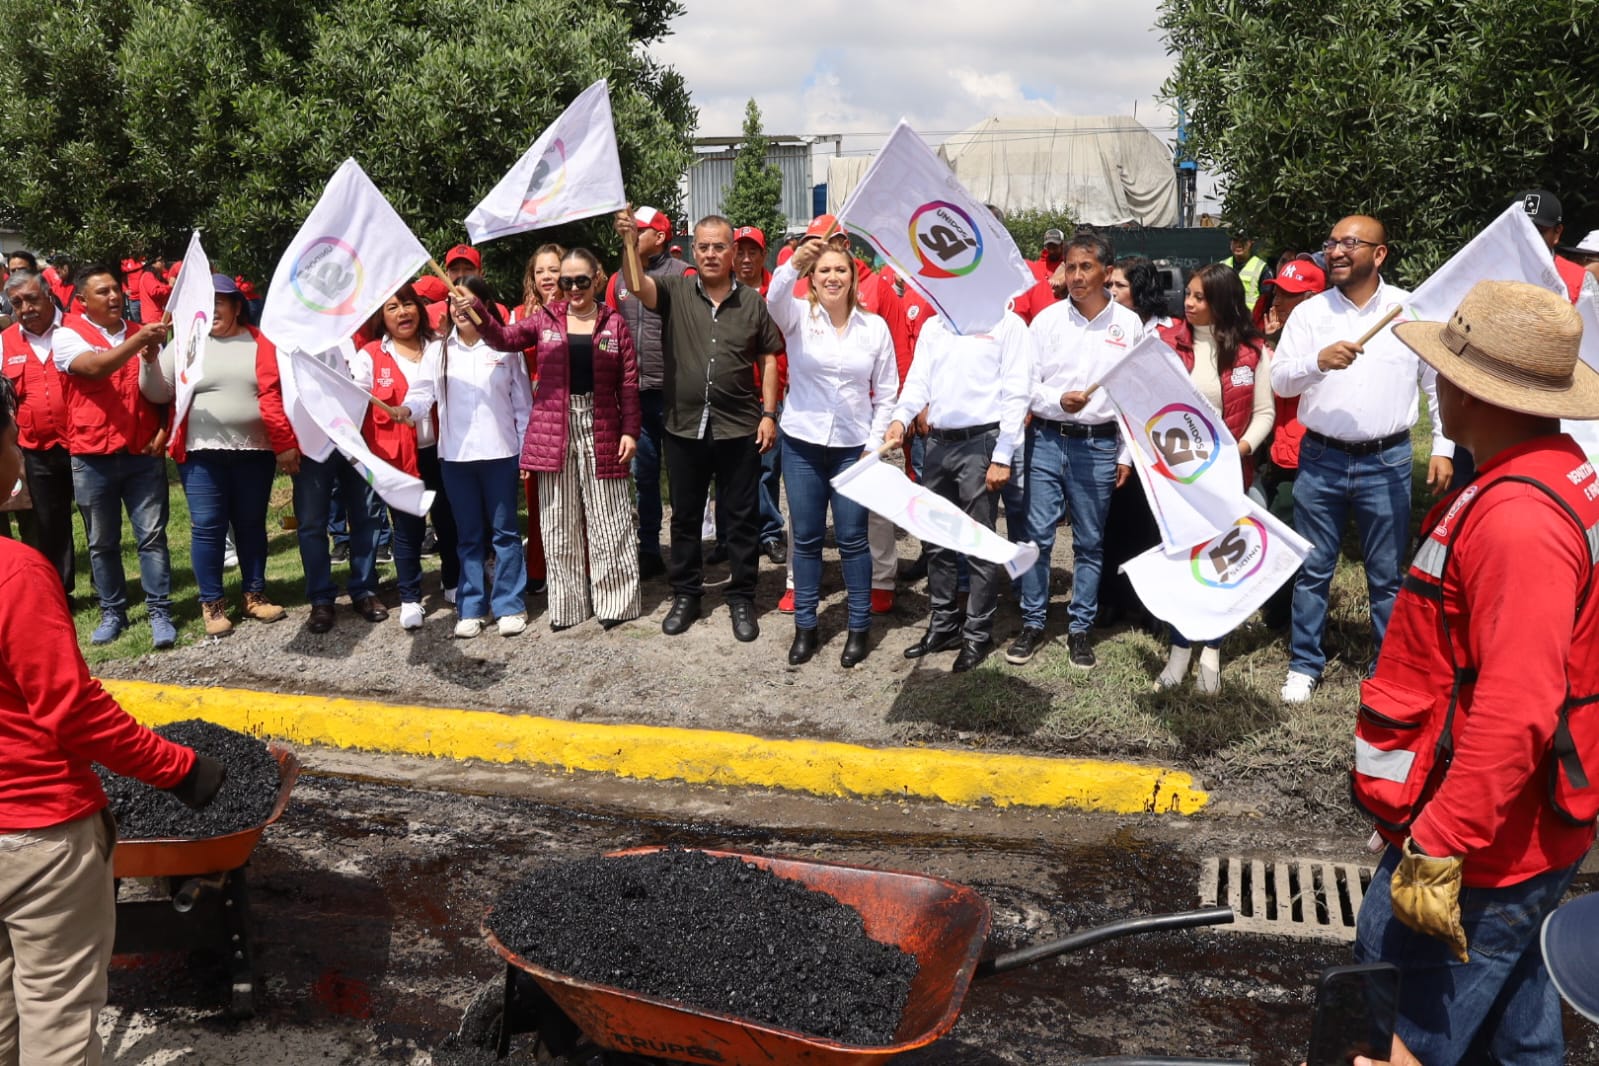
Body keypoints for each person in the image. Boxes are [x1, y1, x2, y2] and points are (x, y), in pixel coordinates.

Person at [1350, 280, 1599, 1066]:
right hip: (1521, 835)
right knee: (1514, 1035)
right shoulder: (1550, 471)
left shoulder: (1516, 518)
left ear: (1472, 389)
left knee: (1398, 1031)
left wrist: (1438, 844)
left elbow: (1517, 705)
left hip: (1483, 849)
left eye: (1442, 371)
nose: (1434, 384)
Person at [0, 372, 224, 1066]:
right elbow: (73, 710)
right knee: (58, 1022)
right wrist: (180, 769)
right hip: (36, 832)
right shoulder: (15, 573)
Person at [1270, 216, 1453, 703]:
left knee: (1387, 574)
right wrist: (1317, 363)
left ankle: (1387, 664)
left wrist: (1442, 446)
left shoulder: (1407, 308)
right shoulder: (1310, 314)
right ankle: (1304, 664)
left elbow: (1435, 382)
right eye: (1331, 243)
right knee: (1313, 568)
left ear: (1380, 254)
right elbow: (1281, 380)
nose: (1335, 251)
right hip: (1322, 459)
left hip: (1387, 460)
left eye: (1350, 243)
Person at [613, 209, 782, 644]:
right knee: (685, 517)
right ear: (693, 250)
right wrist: (631, 243)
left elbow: (767, 358)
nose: (710, 254)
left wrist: (768, 414)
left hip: (739, 427)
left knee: (740, 518)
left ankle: (742, 596)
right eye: (703, 246)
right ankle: (686, 594)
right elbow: (635, 285)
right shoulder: (674, 289)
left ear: (731, 253)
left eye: (719, 247)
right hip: (684, 427)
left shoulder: (753, 302)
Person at [464, 249, 642, 631]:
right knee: (557, 519)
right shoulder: (544, 318)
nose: (573, 288)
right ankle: (569, 605)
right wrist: (476, 308)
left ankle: (615, 601)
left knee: (609, 517)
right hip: (552, 426)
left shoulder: (614, 322)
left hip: (603, 423)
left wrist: (630, 430)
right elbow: (503, 338)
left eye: (581, 280)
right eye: (566, 281)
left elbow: (629, 382)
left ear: (596, 279)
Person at [1006, 234, 1138, 670]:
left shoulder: (1128, 327)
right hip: (1046, 438)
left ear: (1106, 271)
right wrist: (1057, 401)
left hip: (1098, 445)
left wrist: (1124, 455)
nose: (1076, 276)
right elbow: (1024, 386)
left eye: (1085, 267)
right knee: (1036, 537)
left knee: (1090, 542)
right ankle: (1033, 622)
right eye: (1070, 267)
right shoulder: (1045, 322)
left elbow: (1131, 399)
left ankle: (1080, 628)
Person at [766, 236, 897, 668]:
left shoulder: (873, 327)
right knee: (804, 541)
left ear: (854, 276)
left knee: (853, 540)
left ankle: (858, 628)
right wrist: (793, 265)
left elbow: (888, 392)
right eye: (824, 270)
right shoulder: (798, 316)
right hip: (803, 445)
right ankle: (806, 627)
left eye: (841, 269)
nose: (833, 277)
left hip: (852, 450)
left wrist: (874, 446)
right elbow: (772, 300)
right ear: (813, 278)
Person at [883, 305, 1032, 673]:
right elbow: (919, 379)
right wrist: (901, 417)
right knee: (935, 541)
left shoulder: (1007, 324)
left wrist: (1003, 454)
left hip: (981, 445)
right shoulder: (937, 324)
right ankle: (945, 623)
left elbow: (1016, 393)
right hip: (937, 443)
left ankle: (978, 633)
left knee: (977, 544)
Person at [1152, 265, 1273, 692]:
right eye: (1188, 294)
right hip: (1180, 482)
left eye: (1200, 297)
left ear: (1222, 301)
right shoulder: (1166, 345)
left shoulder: (1252, 350)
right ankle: (1178, 653)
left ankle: (1212, 653)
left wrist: (1237, 453)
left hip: (1229, 478)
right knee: (1185, 568)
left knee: (1220, 569)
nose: (1188, 303)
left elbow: (1264, 414)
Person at [50, 264, 177, 647]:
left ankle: (159, 611)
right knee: (102, 542)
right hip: (92, 457)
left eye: (116, 290)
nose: (113, 297)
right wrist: (139, 345)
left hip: (141, 453)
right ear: (82, 300)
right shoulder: (68, 336)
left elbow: (162, 389)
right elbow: (94, 368)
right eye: (102, 292)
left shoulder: (141, 334)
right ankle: (113, 612)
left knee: (152, 538)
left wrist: (162, 428)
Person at [161, 274, 291, 636]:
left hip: (255, 451)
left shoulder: (259, 341)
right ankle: (213, 604)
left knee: (251, 525)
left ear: (237, 306)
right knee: (208, 526)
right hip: (202, 453)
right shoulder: (186, 342)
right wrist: (147, 359)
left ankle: (255, 596)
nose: (214, 307)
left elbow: (279, 390)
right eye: (207, 300)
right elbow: (156, 391)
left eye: (222, 300)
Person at [411, 275, 531, 638]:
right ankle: (472, 606)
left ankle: (510, 604)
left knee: (505, 532)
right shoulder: (437, 350)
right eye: (453, 300)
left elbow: (523, 405)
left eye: (467, 299)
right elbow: (421, 395)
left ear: (483, 304)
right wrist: (406, 410)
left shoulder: (505, 349)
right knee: (468, 536)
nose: (459, 307)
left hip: (501, 453)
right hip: (456, 459)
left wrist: (525, 453)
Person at [353, 283, 459, 630]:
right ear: (382, 317)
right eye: (393, 307)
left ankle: (453, 581)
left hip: (442, 452)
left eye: (409, 304)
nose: (403, 312)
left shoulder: (441, 347)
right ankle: (411, 597)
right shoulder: (370, 355)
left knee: (448, 520)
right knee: (408, 529)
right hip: (397, 458)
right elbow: (356, 398)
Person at [608, 207, 691, 580]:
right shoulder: (617, 280)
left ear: (660, 236)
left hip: (674, 393)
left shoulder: (684, 274)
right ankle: (649, 548)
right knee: (643, 476)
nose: (633, 236)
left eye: (639, 231)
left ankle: (687, 549)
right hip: (635, 393)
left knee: (682, 475)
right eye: (630, 231)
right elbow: (609, 333)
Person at [1097, 257, 1168, 633]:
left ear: (1140, 290)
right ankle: (1112, 599)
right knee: (1114, 524)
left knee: (1149, 529)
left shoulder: (1165, 333)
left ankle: (1149, 605)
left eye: (1119, 286)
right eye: (1109, 286)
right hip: (1115, 443)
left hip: (1154, 448)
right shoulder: (1107, 328)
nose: (1110, 293)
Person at [1, 270, 76, 595]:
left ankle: (110, 594)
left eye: (32, 298)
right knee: (50, 524)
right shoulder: (5, 342)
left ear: (48, 294)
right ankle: (61, 592)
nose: (26, 307)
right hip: (36, 448)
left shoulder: (78, 328)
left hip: (84, 444)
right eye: (17, 303)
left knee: (99, 524)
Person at [730, 225, 787, 565]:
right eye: (740, 251)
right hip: (732, 393)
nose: (746, 258)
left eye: (753, 251)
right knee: (732, 469)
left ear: (764, 255)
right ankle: (734, 534)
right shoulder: (723, 290)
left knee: (767, 467)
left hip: (768, 393)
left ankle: (768, 533)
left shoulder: (775, 293)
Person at [511, 245, 564, 596]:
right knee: (537, 502)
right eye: (540, 271)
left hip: (571, 415)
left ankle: (578, 569)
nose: (547, 277)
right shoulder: (518, 315)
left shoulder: (580, 310)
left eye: (554, 269)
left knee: (574, 500)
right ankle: (537, 568)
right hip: (534, 420)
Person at [1518, 189, 1588, 301]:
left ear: (1557, 232)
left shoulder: (1580, 279)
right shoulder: (1488, 267)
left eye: (1539, 231)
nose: (1528, 238)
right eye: (1520, 229)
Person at [1221, 232, 1273, 309]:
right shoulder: (1222, 266)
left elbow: (1266, 300)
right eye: (1235, 240)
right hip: (1225, 318)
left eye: (1243, 241)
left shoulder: (1262, 268)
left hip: (1250, 319)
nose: (1238, 245)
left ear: (1251, 242)